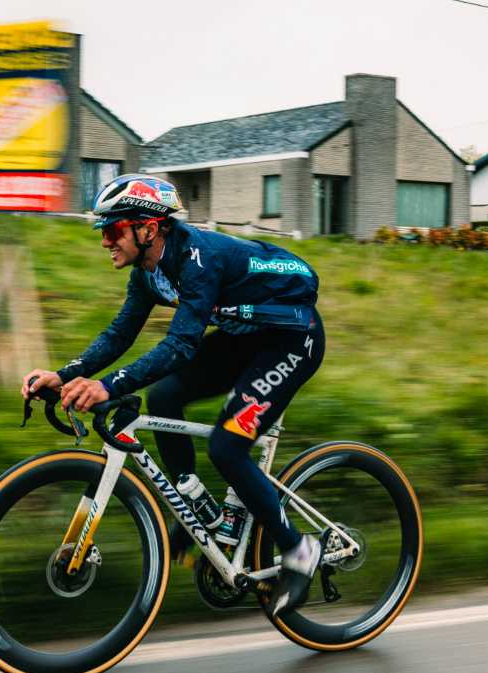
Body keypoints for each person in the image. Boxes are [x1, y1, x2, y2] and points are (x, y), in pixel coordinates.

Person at [21, 173, 327, 618]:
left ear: (148, 228)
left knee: (228, 446)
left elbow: (181, 345)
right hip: (243, 339)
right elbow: (122, 331)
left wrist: (107, 385)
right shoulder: (148, 272)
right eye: (103, 231)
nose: (105, 241)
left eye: (112, 230)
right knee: (164, 397)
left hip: (290, 342)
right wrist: (66, 373)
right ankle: (194, 507)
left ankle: (299, 549)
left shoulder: (198, 259)